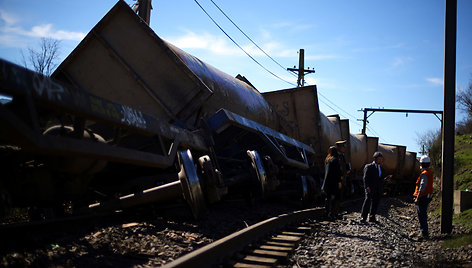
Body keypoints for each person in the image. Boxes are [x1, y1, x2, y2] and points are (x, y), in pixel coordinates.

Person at [360, 151, 391, 223]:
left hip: (378, 189)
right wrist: (366, 187)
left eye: (381, 159)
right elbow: (365, 178)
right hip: (370, 188)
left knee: (375, 203)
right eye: (379, 159)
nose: (380, 160)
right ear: (375, 159)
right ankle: (363, 217)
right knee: (367, 202)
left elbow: (381, 179)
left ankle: (372, 217)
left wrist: (386, 179)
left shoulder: (382, 169)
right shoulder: (369, 166)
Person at [413, 155, 434, 238]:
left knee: (421, 215)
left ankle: (424, 233)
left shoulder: (424, 174)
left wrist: (417, 198)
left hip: (422, 197)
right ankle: (424, 232)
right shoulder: (430, 172)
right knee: (423, 214)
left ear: (422, 164)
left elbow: (422, 187)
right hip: (427, 196)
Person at [322, 146, 342, 221]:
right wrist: (339, 182)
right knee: (335, 198)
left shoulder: (327, 160)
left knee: (328, 198)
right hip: (334, 183)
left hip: (327, 182)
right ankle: (332, 214)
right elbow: (337, 172)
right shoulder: (335, 160)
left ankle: (326, 214)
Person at [335, 140, 351, 214]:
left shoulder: (342, 156)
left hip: (342, 180)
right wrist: (338, 180)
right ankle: (333, 212)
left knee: (339, 197)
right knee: (335, 197)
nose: (344, 148)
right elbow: (336, 169)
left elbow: (343, 167)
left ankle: (337, 212)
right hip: (337, 180)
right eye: (343, 146)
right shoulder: (335, 156)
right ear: (339, 147)